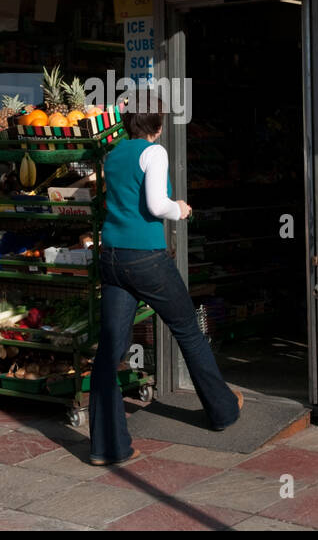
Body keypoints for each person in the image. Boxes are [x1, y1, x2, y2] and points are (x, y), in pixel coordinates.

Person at [91, 95, 242, 465]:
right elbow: (157, 205)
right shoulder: (154, 152)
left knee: (109, 352)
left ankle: (107, 447)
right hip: (146, 259)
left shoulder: (112, 155)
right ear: (158, 126)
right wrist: (182, 209)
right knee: (188, 330)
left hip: (111, 258)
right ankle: (222, 411)